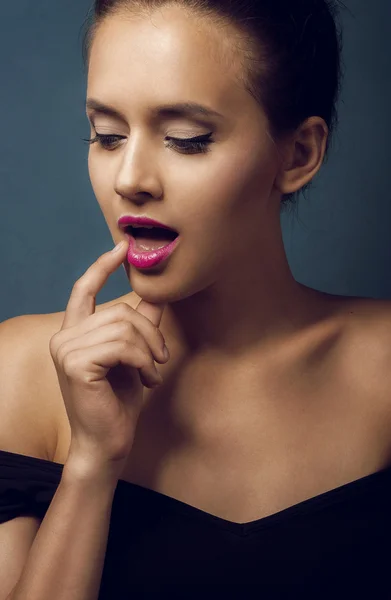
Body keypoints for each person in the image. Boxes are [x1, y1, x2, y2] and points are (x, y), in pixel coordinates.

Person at [1, 0, 391, 598]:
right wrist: (90, 464)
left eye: (187, 140)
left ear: (299, 154)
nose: (129, 178)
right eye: (106, 135)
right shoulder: (20, 374)